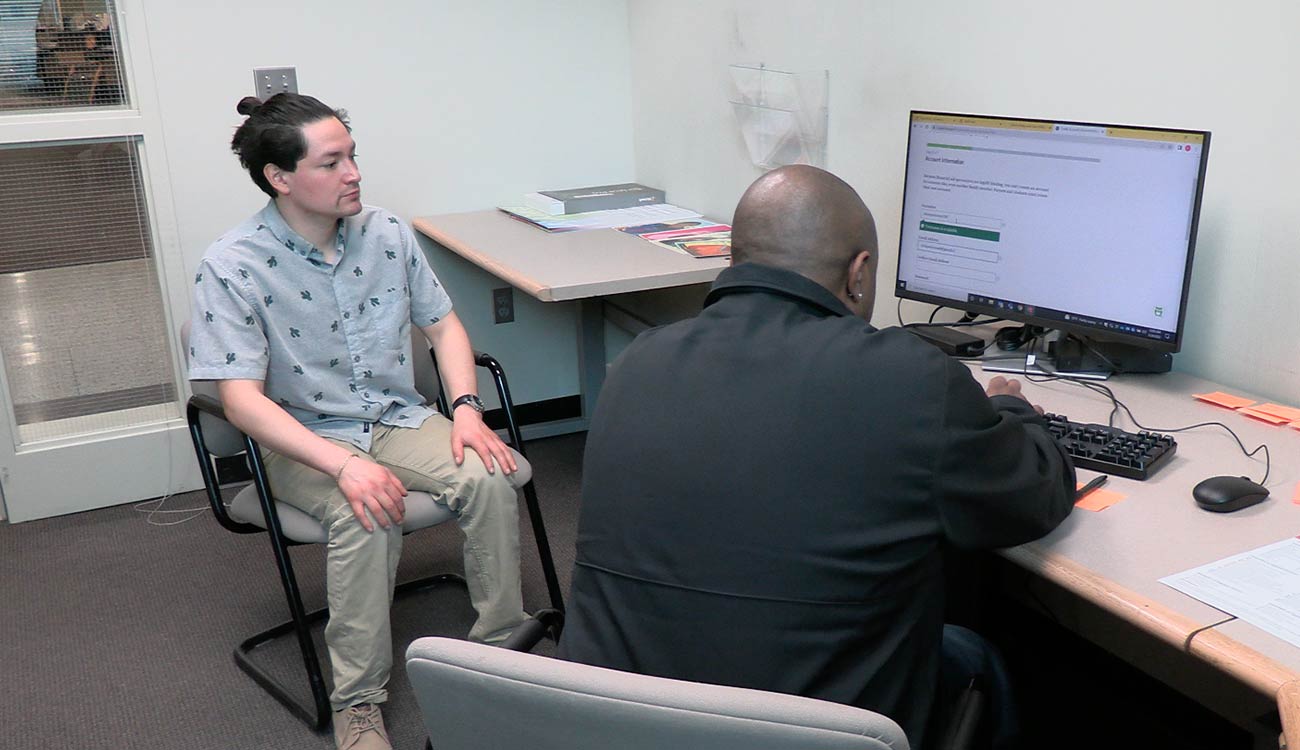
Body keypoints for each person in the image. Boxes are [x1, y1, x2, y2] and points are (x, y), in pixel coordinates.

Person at [557, 165, 1075, 749]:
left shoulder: (637, 364)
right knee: (975, 653)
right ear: (859, 274)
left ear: (733, 260)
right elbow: (1035, 497)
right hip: (808, 731)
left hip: (620, 723)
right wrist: (1013, 413)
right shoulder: (913, 382)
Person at [188, 93, 526, 750]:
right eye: (332, 162)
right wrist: (344, 464)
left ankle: (502, 661)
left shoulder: (387, 234)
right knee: (365, 508)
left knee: (489, 473)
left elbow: (444, 325)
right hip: (303, 440)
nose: (354, 175)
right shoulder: (232, 265)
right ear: (280, 178)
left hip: (395, 418)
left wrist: (464, 409)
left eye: (353, 157)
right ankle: (359, 705)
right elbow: (240, 401)